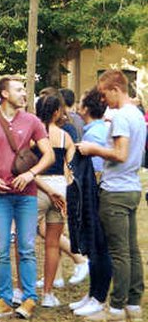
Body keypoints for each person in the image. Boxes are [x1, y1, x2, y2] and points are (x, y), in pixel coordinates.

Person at [0, 75, 53, 319]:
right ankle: (4, 299)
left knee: (26, 247)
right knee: (0, 249)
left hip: (26, 195)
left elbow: (48, 156)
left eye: (24, 89)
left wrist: (30, 174)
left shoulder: (32, 121)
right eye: (18, 89)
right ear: (4, 93)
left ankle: (29, 299)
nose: (24, 93)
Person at [77, 70, 146, 321]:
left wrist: (93, 148)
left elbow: (120, 154)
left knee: (119, 253)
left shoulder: (121, 118)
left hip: (115, 191)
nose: (103, 99)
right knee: (131, 250)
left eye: (105, 93)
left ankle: (115, 307)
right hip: (132, 188)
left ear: (116, 89)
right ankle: (133, 303)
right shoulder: (137, 115)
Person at [67, 88, 113, 317]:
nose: (77, 105)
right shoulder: (94, 129)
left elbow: (97, 170)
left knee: (99, 248)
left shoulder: (94, 134)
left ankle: (98, 296)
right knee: (96, 247)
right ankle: (92, 294)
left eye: (81, 102)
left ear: (85, 108)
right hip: (96, 196)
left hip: (96, 197)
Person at [32, 94, 76, 308]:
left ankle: (23, 290)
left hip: (38, 187)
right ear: (57, 112)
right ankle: (48, 293)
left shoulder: (33, 135)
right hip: (60, 189)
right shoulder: (65, 137)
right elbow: (71, 168)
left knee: (25, 242)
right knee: (52, 244)